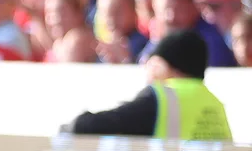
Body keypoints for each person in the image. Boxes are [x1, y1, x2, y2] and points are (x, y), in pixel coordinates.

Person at [66, 30, 231, 139]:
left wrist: (75, 124)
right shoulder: (214, 102)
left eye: (151, 62)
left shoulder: (163, 97)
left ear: (163, 65)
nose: (148, 69)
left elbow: (93, 125)